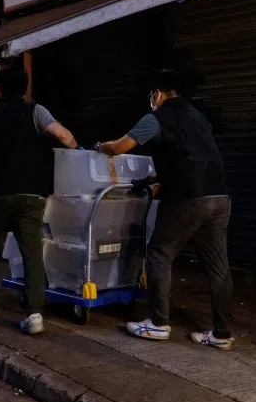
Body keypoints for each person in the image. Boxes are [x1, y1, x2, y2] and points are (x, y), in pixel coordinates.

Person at [94, 69, 235, 350]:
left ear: (158, 93)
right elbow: (192, 157)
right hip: (219, 198)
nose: (151, 99)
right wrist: (155, 178)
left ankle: (158, 323)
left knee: (159, 252)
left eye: (151, 94)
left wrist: (99, 147)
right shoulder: (197, 117)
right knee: (218, 266)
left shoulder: (155, 118)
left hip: (187, 199)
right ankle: (222, 334)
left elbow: (120, 147)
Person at [0, 68, 79, 335]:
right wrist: (76, 150)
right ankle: (34, 315)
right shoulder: (35, 111)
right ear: (24, 89)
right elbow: (64, 136)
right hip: (32, 195)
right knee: (32, 253)